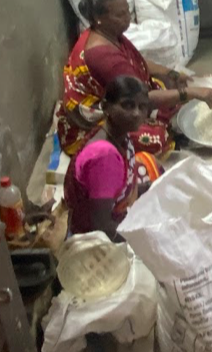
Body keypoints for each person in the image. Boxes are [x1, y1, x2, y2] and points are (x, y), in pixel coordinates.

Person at [56, 0, 212, 156]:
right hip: (97, 120)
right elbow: (142, 98)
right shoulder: (102, 55)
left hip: (124, 96)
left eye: (127, 10)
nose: (127, 17)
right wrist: (193, 93)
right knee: (156, 138)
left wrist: (169, 73)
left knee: (168, 88)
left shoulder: (108, 34)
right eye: (120, 14)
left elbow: (135, 62)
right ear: (99, 18)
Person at [63, 76, 155, 241]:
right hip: (95, 234)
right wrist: (143, 238)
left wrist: (152, 188)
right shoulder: (104, 158)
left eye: (142, 107)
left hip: (113, 204)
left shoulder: (117, 135)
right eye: (127, 105)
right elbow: (102, 226)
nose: (136, 113)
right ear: (106, 107)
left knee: (156, 171)